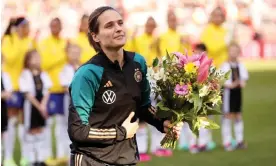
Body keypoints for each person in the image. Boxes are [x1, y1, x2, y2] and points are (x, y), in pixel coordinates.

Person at [68, 6, 183, 166]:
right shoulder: (88, 74)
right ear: (95, 36)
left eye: (120, 23)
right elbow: (78, 131)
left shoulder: (138, 63)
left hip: (127, 158)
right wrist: (120, 133)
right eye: (109, 25)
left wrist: (161, 122)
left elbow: (143, 106)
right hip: (92, 160)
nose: (118, 29)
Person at [2, 17, 35, 166]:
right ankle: (8, 157)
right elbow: (10, 58)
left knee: (23, 124)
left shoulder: (29, 41)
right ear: (17, 28)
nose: (27, 29)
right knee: (10, 123)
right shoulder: (9, 39)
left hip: (24, 86)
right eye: (24, 26)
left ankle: (23, 156)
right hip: (11, 87)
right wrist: (18, 38)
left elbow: (32, 59)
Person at [38, 17, 67, 164]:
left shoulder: (65, 42)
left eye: (58, 25)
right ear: (50, 27)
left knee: (62, 125)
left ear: (61, 27)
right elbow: (44, 63)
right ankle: (48, 155)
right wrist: (62, 56)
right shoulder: (44, 43)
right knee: (48, 125)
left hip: (63, 90)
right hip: (50, 89)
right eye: (53, 25)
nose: (55, 28)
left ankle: (62, 153)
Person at [19, 50, 52, 166]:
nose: (37, 60)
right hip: (32, 107)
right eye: (34, 58)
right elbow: (28, 94)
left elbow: (47, 91)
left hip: (42, 105)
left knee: (41, 130)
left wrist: (43, 105)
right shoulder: (25, 74)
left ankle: (40, 158)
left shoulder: (43, 74)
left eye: (38, 57)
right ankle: (32, 159)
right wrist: (39, 106)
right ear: (28, 61)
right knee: (31, 131)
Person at [220, 43, 249, 151]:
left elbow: (244, 79)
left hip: (237, 93)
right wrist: (230, 85)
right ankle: (227, 141)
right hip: (228, 93)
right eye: (231, 51)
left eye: (236, 51)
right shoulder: (225, 65)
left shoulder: (240, 65)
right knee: (227, 116)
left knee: (238, 115)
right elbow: (221, 80)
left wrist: (241, 83)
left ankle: (239, 140)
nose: (233, 53)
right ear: (228, 52)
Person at [59, 43, 82, 163]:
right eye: (72, 52)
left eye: (77, 52)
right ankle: (68, 156)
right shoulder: (65, 69)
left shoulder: (84, 67)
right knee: (68, 129)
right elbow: (66, 86)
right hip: (70, 103)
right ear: (67, 54)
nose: (75, 55)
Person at [1, 54, 13, 164]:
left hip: (3, 109)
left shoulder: (5, 75)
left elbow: (9, 93)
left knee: (5, 133)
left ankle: (8, 159)